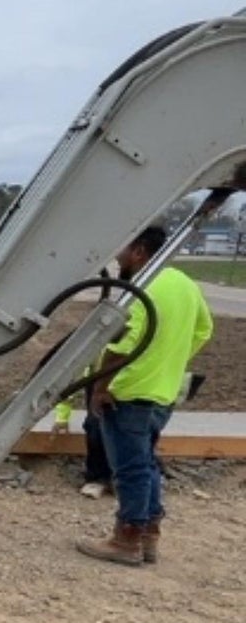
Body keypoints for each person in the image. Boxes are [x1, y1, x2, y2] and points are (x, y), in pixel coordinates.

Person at [77, 225, 213, 567]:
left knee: (129, 470)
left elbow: (122, 344)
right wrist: (170, 359)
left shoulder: (141, 286)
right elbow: (203, 330)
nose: (118, 253)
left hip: (129, 392)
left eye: (123, 246)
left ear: (139, 250)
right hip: (163, 392)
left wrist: (101, 387)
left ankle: (127, 539)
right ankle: (149, 533)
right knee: (146, 464)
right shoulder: (184, 284)